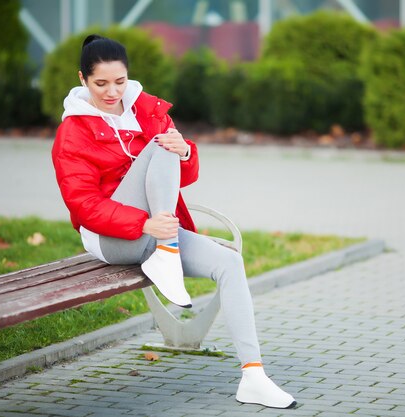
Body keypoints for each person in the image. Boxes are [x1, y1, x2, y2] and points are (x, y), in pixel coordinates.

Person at [51, 34, 296, 409]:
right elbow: (83, 206)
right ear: (83, 79)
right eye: (101, 83)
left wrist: (186, 153)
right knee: (159, 144)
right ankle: (166, 251)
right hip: (112, 238)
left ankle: (254, 376)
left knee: (229, 261)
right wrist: (143, 225)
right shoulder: (73, 131)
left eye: (119, 81)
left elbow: (183, 174)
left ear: (128, 75)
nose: (112, 91)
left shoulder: (145, 109)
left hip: (158, 229)